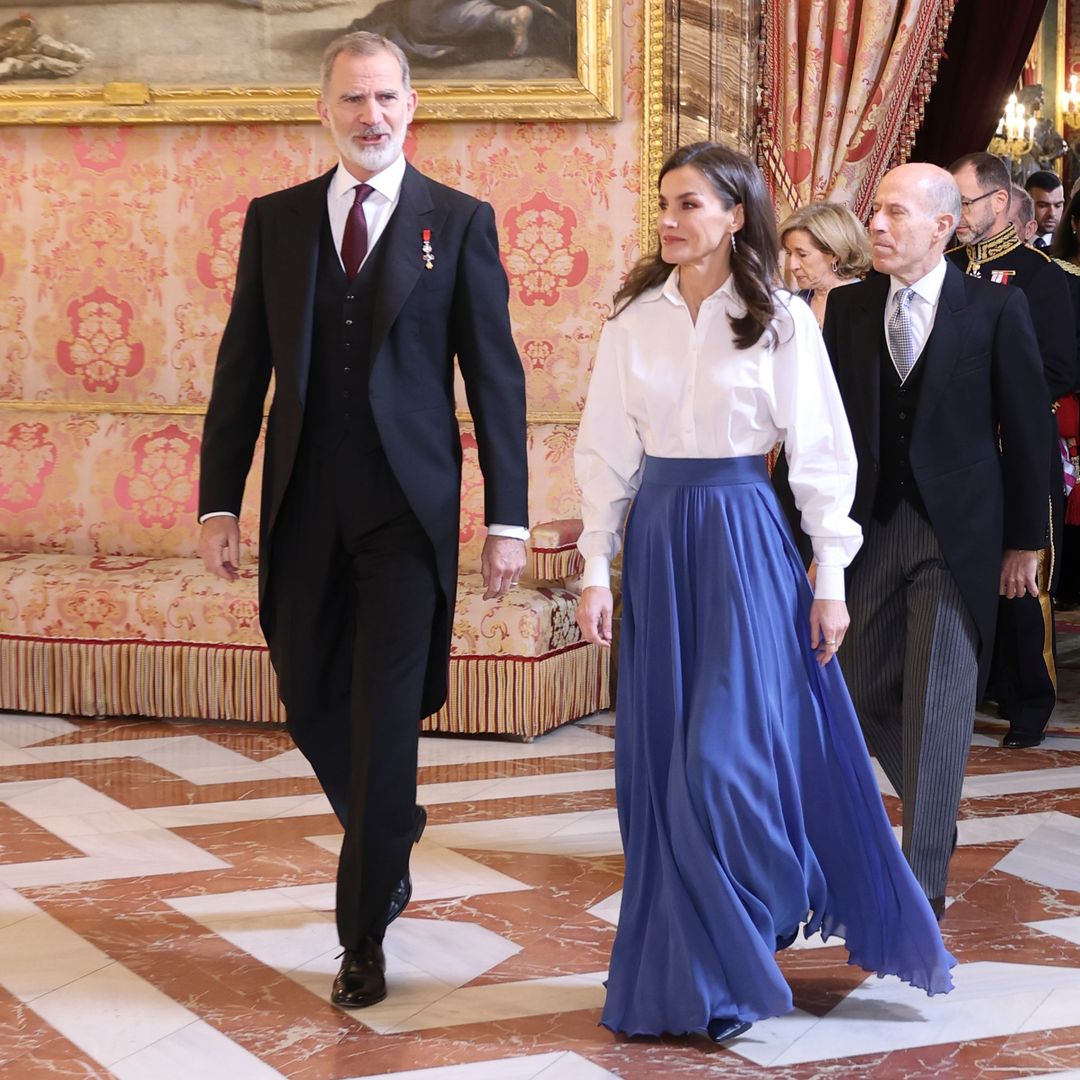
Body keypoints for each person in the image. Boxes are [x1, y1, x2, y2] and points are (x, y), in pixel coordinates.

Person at [574, 142, 955, 1045]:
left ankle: (757, 914)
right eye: (664, 203)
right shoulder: (631, 326)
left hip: (747, 542)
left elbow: (825, 458)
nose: (669, 219)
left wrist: (829, 579)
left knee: (723, 761)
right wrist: (596, 568)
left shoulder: (783, 320)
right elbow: (602, 459)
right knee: (665, 776)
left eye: (689, 204)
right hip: (661, 548)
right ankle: (702, 974)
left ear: (735, 215)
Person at [198, 31, 529, 1009]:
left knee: (386, 724)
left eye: (386, 97)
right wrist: (220, 500)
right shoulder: (278, 221)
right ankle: (387, 839)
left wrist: (508, 517)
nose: (370, 115)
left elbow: (496, 384)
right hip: (302, 506)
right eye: (352, 99)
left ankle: (362, 940)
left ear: (412, 106)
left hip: (405, 518)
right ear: (324, 110)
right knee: (308, 704)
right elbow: (238, 373)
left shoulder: (458, 224)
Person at [830, 163, 1049, 917]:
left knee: (941, 700)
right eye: (875, 212)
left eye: (895, 213)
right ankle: (935, 813)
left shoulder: (995, 310)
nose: (878, 226)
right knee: (854, 693)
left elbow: (1029, 433)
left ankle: (922, 881)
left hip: (961, 537)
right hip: (871, 529)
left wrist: (1027, 541)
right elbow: (828, 433)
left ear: (943, 227)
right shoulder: (850, 310)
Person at [948, 152, 1076, 750]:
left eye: (964, 203)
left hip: (1014, 445)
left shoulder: (1045, 276)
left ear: (999, 203)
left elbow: (1056, 367)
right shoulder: (945, 267)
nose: (956, 216)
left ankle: (1030, 701)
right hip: (950, 451)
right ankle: (975, 684)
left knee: (1023, 578)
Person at [780, 201, 872, 328]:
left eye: (802, 255)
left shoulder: (867, 304)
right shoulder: (794, 304)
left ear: (835, 254)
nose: (792, 266)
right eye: (789, 254)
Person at [1025, 169, 1065, 250]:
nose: (1052, 213)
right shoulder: (1012, 241)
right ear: (1026, 204)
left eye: (1058, 205)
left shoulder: (1070, 246)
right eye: (1043, 206)